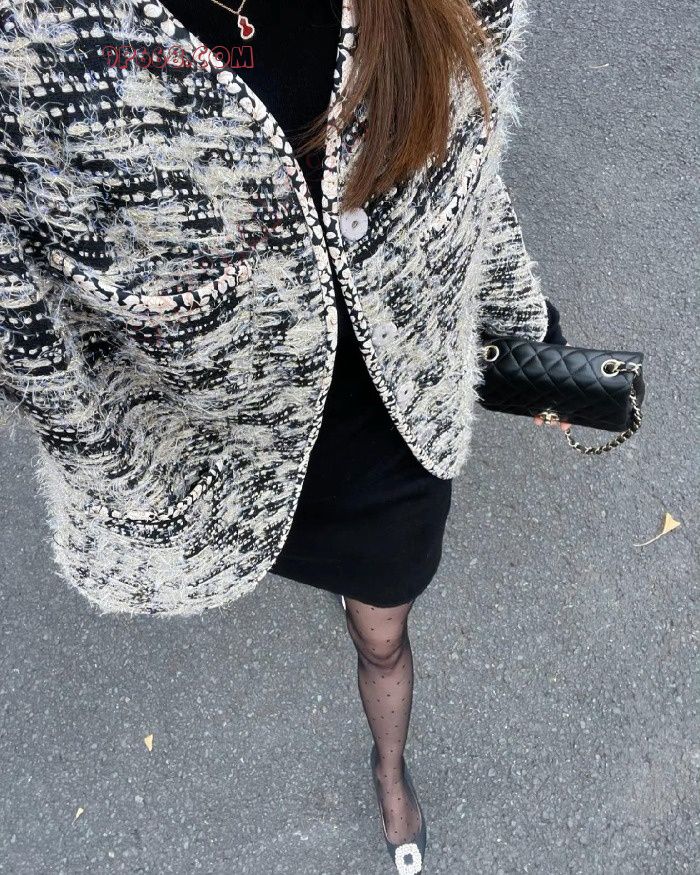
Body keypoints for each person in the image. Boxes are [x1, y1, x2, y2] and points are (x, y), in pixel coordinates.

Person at [0, 2, 569, 872]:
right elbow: (25, 335)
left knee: (383, 636)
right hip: (213, 454)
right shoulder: (27, 43)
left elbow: (467, 174)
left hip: (389, 431)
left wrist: (529, 334)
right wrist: (123, 482)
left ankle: (389, 769)